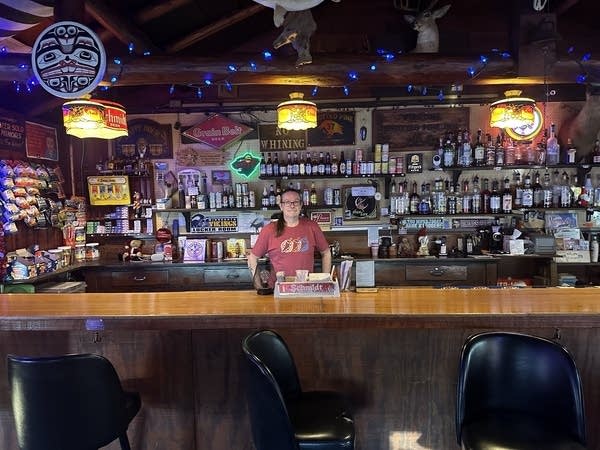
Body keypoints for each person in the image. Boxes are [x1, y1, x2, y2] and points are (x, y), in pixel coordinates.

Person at [248, 188, 331, 278]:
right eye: (287, 202)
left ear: (301, 205)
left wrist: (326, 278)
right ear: (281, 206)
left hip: (305, 287)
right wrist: (258, 283)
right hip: (278, 288)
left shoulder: (312, 226)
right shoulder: (269, 230)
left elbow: (326, 253)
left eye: (296, 202)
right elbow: (253, 257)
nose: (292, 206)